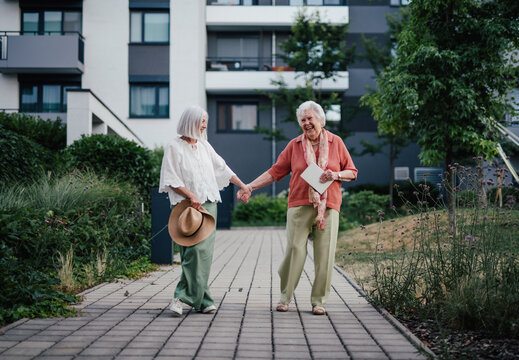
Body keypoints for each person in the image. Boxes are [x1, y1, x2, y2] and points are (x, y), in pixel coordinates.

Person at [238, 100, 357, 315]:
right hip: (299, 203)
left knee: (325, 254)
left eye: (310, 118)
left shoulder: (336, 142)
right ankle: (285, 296)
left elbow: (352, 171)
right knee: (294, 250)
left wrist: (336, 174)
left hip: (328, 205)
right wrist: (250, 187)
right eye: (302, 120)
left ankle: (319, 301)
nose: (306, 123)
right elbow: (275, 171)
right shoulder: (294, 145)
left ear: (320, 120)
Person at [159, 105, 250, 316]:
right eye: (201, 121)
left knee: (204, 254)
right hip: (186, 205)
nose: (204, 125)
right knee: (191, 252)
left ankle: (197, 299)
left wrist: (243, 185)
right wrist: (191, 195)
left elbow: (222, 168)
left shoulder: (204, 146)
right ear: (190, 122)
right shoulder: (174, 146)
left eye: (205, 121)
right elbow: (171, 178)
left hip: (208, 204)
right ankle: (191, 298)